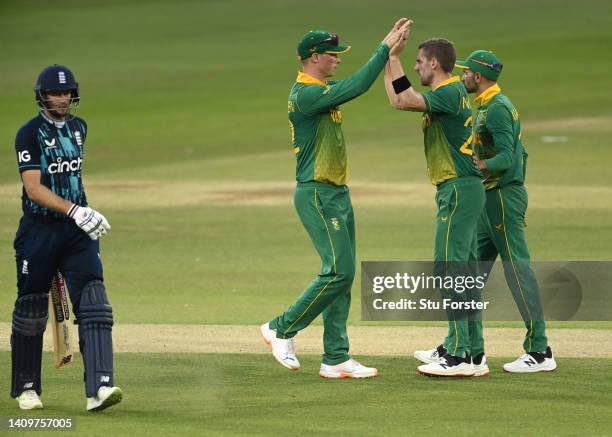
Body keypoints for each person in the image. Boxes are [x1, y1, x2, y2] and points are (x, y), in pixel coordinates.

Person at [261, 20, 410, 379]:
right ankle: (280, 327)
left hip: (337, 192)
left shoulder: (321, 89)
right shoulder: (305, 94)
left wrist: (386, 54)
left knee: (343, 276)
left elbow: (351, 84)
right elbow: (358, 85)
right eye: (332, 55)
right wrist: (383, 49)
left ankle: (336, 357)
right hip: (316, 193)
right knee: (339, 271)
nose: (338, 61)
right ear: (313, 58)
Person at [11, 64, 122, 411]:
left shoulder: (79, 128)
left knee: (95, 303)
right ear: (42, 95)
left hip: (77, 231)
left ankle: (99, 388)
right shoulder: (28, 134)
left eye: (65, 92)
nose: (61, 98)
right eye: (54, 93)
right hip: (39, 230)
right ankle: (27, 388)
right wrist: (74, 210)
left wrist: (81, 213)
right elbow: (33, 188)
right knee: (31, 308)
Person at [383, 22, 488, 377]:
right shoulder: (454, 92)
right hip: (465, 189)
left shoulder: (445, 92)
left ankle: (458, 356)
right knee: (466, 271)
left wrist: (391, 56)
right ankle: (472, 351)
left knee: (450, 269)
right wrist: (390, 59)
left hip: (457, 188)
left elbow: (406, 99)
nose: (415, 66)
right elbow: (398, 99)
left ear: (434, 65)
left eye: (418, 61)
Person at [456, 50, 556, 372]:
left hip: (501, 197)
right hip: (492, 198)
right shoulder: (489, 105)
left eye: (466, 73)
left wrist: (482, 164)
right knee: (471, 274)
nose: (462, 77)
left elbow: (511, 156)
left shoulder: (497, 109)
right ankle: (469, 349)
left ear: (479, 77)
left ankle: (540, 351)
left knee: (517, 271)